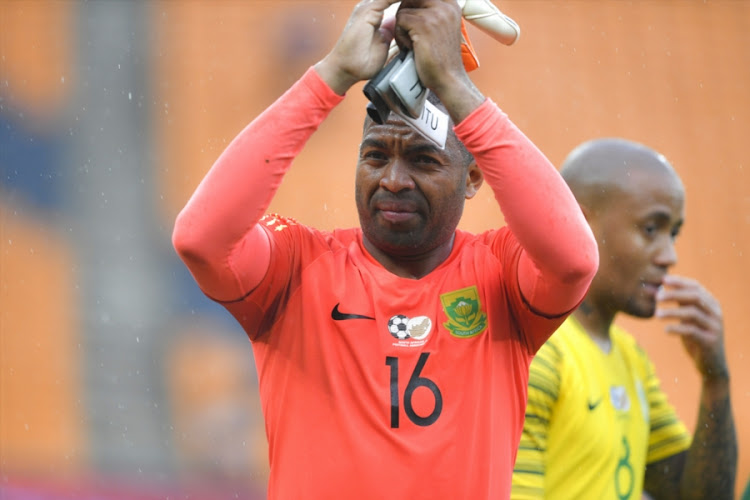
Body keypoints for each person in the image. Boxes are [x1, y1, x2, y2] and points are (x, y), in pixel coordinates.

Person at [172, 0, 598, 498]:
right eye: (375, 155)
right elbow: (199, 239)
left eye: (423, 160)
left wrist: (456, 87)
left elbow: (575, 260)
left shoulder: (500, 274)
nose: (393, 180)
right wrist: (331, 75)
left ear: (474, 177)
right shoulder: (298, 267)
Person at [511, 138, 738, 500]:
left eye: (673, 233)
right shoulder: (539, 354)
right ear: (579, 223)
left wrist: (716, 380)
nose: (669, 255)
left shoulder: (630, 358)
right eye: (651, 229)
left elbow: (697, 496)